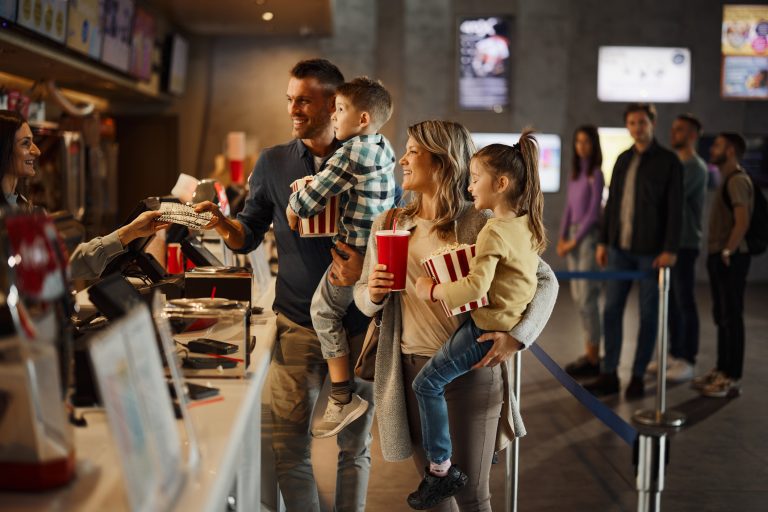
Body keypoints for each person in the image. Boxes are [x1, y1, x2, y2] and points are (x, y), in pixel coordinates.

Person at [195, 59, 375, 511]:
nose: (293, 109)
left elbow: (391, 231)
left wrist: (367, 264)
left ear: (334, 105)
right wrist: (222, 223)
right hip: (297, 323)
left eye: (304, 101)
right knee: (289, 448)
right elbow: (248, 234)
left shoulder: (367, 158)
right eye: (290, 100)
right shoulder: (273, 162)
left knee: (355, 447)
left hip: (361, 325)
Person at [354, 120, 558, 511]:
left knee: (471, 496)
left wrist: (518, 337)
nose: (402, 160)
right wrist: (373, 294)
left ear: (442, 161)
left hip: (472, 372)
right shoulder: (391, 223)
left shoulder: (482, 222)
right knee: (436, 496)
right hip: (410, 372)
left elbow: (546, 280)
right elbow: (364, 299)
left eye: (413, 152)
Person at [406, 135, 546, 509]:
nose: (469, 187)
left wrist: (432, 289)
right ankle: (468, 456)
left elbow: (475, 288)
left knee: (426, 384)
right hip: (502, 321)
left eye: (475, 178)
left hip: (483, 328)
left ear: (500, 184)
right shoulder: (525, 224)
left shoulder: (493, 230)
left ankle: (440, 469)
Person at [285, 77, 396, 438]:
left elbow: (308, 203)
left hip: (353, 252)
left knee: (322, 311)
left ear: (363, 119)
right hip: (376, 251)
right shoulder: (383, 146)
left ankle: (341, 396)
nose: (334, 115)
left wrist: (293, 201)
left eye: (341, 109)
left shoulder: (349, 153)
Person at [586, 103, 683, 399]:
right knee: (611, 310)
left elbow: (675, 209)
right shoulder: (623, 160)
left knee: (648, 314)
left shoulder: (669, 162)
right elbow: (612, 204)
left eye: (642, 122)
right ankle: (609, 373)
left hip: (651, 253)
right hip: (619, 250)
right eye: (632, 123)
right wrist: (603, 241)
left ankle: (638, 375)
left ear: (652, 123)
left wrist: (670, 249)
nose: (637, 128)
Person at [0, 109, 167, 280]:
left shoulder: (25, 207)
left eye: (33, 142)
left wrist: (130, 232)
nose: (37, 151)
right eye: (25, 143)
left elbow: (65, 261)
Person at [694, 133, 753, 398]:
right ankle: (722, 368)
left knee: (732, 316)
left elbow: (742, 221)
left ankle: (732, 376)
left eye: (717, 145)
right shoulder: (725, 179)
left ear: (730, 151)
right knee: (723, 315)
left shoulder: (737, 180)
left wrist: (728, 250)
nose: (712, 149)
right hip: (721, 256)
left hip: (731, 257)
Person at [653, 113, 707, 382]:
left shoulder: (695, 167)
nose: (674, 133)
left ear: (693, 135)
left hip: (685, 244)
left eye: (681, 130)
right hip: (671, 243)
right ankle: (674, 354)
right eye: (674, 128)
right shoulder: (677, 164)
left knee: (684, 301)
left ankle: (688, 358)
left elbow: (671, 198)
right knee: (672, 302)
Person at [557, 125, 604, 378]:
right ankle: (590, 354)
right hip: (573, 237)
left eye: (586, 141)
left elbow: (593, 213)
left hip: (587, 238)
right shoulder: (575, 174)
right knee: (579, 299)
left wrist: (574, 242)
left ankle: (594, 357)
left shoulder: (596, 174)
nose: (581, 146)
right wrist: (562, 237)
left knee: (588, 299)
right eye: (578, 141)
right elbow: (569, 208)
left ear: (593, 145)